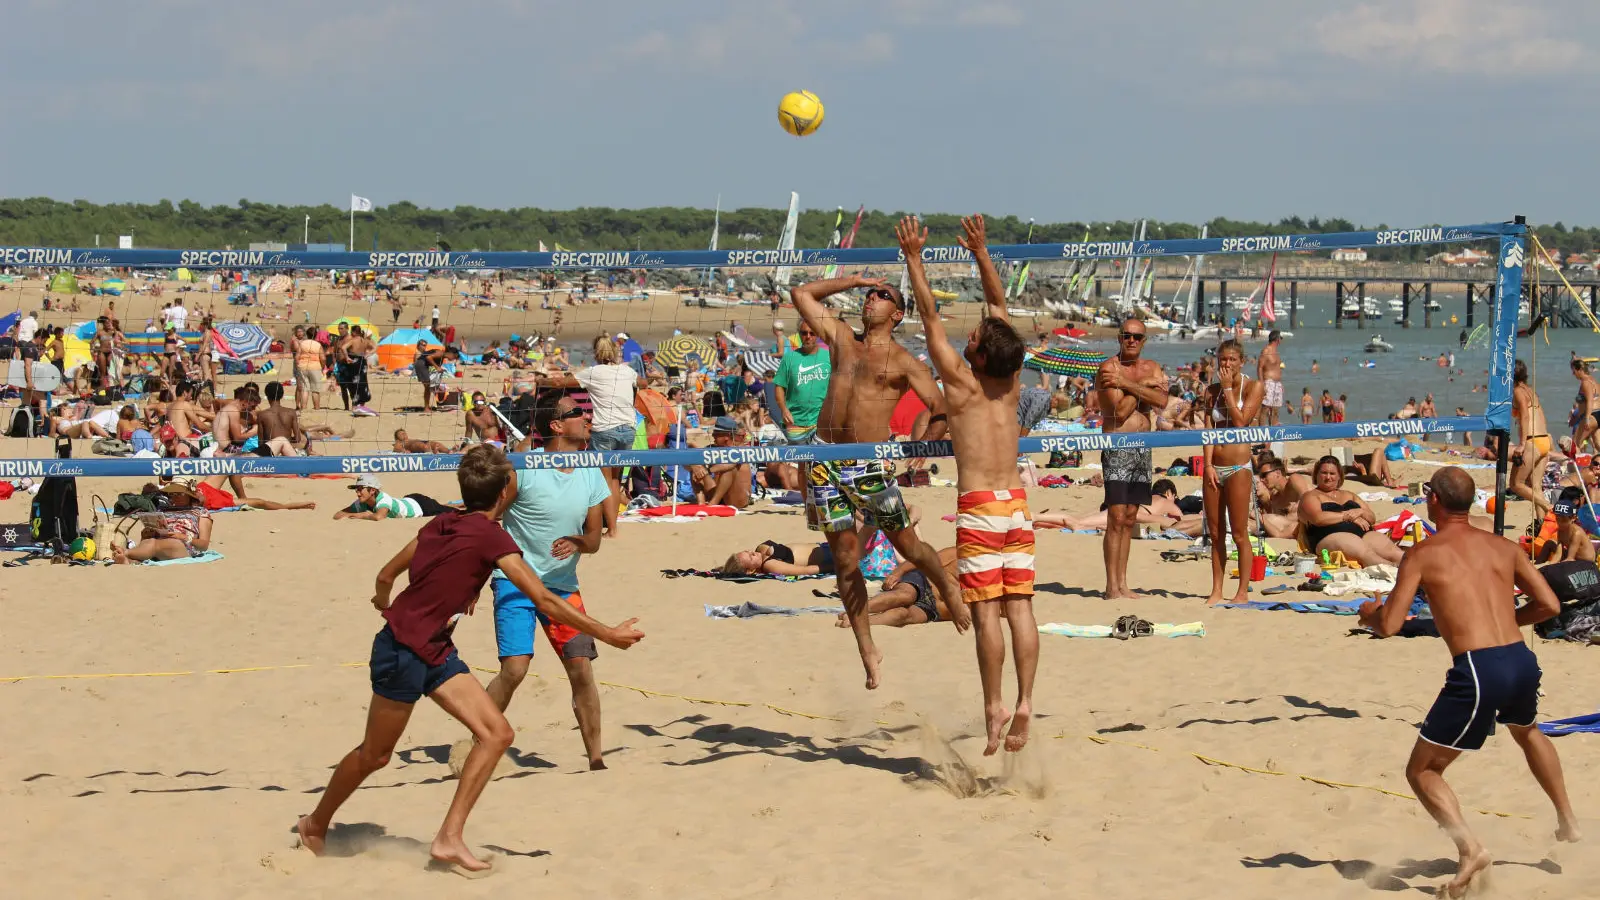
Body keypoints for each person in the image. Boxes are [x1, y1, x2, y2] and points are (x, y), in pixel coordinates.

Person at [295, 445, 644, 875]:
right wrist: (608, 633)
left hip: (435, 649)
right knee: (376, 755)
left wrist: (387, 599)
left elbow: (387, 575)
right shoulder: (493, 537)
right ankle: (315, 823)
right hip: (402, 651)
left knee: (497, 734)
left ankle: (448, 838)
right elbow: (544, 599)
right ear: (503, 496)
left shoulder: (441, 522)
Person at [1357, 466, 1578, 897]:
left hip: (1479, 668)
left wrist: (1369, 613)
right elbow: (1550, 603)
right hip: (1519, 658)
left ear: (1433, 499)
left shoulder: (1423, 553)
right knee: (1528, 731)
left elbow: (1391, 624)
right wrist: (1508, 623)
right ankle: (1567, 819)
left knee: (1422, 771)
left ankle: (1470, 849)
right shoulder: (1504, 545)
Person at [790, 256, 964, 689]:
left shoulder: (904, 361)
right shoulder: (842, 339)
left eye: (881, 295)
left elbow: (940, 408)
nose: (870, 299)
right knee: (846, 559)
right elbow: (802, 294)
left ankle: (948, 586)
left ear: (898, 313)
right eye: (869, 295)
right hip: (824, 456)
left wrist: (924, 446)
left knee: (909, 543)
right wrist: (854, 278)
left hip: (866, 461)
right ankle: (867, 646)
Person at [899, 214, 1034, 753]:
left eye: (973, 336)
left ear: (976, 353)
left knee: (988, 615)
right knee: (1021, 608)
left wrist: (914, 257)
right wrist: (981, 252)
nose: (971, 332)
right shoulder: (1011, 378)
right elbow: (999, 311)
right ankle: (1027, 701)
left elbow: (930, 315)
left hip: (979, 506)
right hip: (1018, 502)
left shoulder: (961, 383)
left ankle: (995, 705)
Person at [484, 392, 632, 771]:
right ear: (556, 425)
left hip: (562, 585)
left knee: (581, 669)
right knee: (515, 670)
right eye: (578, 413)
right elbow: (487, 521)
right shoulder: (525, 467)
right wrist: (471, 578)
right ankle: (478, 736)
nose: (588, 418)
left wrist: (579, 541)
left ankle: (596, 760)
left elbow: (595, 540)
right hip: (514, 580)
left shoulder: (590, 471)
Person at [1095, 317, 1168, 600]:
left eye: (1137, 337)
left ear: (1144, 340)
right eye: (1127, 336)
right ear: (1119, 338)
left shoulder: (1150, 368)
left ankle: (1124, 583)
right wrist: (1143, 387)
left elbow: (1162, 402)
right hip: (1117, 445)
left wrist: (1128, 383)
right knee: (1115, 516)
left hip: (1142, 447)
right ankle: (1111, 586)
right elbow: (1119, 412)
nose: (1132, 341)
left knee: (1129, 518)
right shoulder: (1107, 369)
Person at [541, 335, 642, 536]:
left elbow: (562, 383)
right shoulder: (627, 371)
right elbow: (641, 384)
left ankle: (609, 528)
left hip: (606, 428)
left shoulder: (593, 372)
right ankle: (613, 527)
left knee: (601, 481)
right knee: (615, 480)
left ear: (596, 353)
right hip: (629, 429)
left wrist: (542, 379)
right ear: (614, 352)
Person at [1202, 340, 1265, 605]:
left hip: (1238, 466)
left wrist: (1228, 388)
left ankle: (1241, 591)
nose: (1226, 364)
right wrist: (1206, 466)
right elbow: (1208, 431)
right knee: (1216, 533)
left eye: (1231, 359)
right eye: (1222, 359)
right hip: (1215, 465)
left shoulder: (1254, 387)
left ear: (1242, 362)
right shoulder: (1211, 391)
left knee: (1239, 532)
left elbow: (1241, 422)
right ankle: (1216, 589)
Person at [1298, 456, 1404, 566]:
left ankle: (1415, 569)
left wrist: (1360, 512)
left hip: (1364, 534)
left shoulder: (1349, 494)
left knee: (1395, 553)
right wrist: (1348, 516)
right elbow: (1318, 518)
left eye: (1332, 473)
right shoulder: (1311, 496)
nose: (1328, 477)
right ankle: (1394, 571)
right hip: (1330, 536)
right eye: (1324, 473)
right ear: (1316, 474)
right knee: (1367, 554)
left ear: (1339, 476)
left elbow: (1371, 518)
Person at [836, 546, 958, 628]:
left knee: (902, 615)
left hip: (933, 609)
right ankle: (855, 611)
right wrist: (898, 572)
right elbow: (924, 560)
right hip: (923, 581)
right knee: (905, 596)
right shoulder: (963, 553)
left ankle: (858, 622)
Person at [1033, 478, 1199, 534]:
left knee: (1079, 521)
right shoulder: (1169, 504)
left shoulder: (1150, 497)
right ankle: (1036, 517)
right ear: (1169, 493)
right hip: (1126, 511)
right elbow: (1180, 521)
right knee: (1077, 522)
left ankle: (1039, 523)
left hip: (1121, 505)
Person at [112, 477, 214, 563]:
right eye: (172, 494)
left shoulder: (201, 512)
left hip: (183, 546)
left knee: (161, 544)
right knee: (150, 541)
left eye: (180, 494)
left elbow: (204, 545)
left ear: (189, 495)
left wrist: (185, 538)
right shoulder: (162, 510)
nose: (175, 497)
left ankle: (126, 552)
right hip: (157, 542)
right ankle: (129, 561)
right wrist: (145, 535)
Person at [771, 319, 831, 444]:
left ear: (818, 334)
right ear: (799, 334)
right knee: (801, 461)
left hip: (821, 422)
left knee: (821, 461)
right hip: (795, 421)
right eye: (804, 333)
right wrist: (784, 410)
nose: (808, 337)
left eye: (812, 333)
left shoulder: (829, 357)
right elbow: (779, 387)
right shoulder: (789, 358)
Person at [1511, 359, 1553, 521]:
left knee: (1516, 484)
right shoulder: (1531, 391)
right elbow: (1541, 415)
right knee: (1536, 486)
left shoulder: (1518, 392)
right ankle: (1542, 524)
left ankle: (1549, 507)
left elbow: (1525, 416)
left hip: (1532, 441)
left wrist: (1522, 444)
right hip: (1543, 440)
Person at [683, 417, 753, 509]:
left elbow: (730, 464)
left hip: (738, 498)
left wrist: (708, 470)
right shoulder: (713, 448)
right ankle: (701, 503)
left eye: (716, 433)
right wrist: (694, 467)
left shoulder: (740, 449)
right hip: (719, 494)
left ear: (727, 436)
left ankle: (712, 504)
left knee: (728, 470)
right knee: (696, 466)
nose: (712, 435)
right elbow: (684, 462)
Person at [335, 474, 457, 520]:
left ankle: (458, 503)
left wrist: (360, 515)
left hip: (422, 507)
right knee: (443, 506)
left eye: (361, 489)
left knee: (457, 513)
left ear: (372, 490)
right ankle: (453, 503)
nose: (358, 493)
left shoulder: (383, 500)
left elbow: (379, 517)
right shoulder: (361, 502)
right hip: (408, 501)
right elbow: (338, 515)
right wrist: (350, 514)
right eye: (357, 489)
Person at [1255, 457, 1315, 539]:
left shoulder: (1294, 480)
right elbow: (1277, 524)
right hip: (1294, 531)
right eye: (1261, 476)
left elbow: (1309, 500)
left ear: (1278, 473)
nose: (1262, 479)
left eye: (1264, 475)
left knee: (1264, 519)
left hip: (1312, 524)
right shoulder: (1275, 500)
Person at [254, 381, 303, 456]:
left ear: (267, 395)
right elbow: (297, 439)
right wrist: (287, 439)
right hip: (288, 451)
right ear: (282, 395)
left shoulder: (262, 415)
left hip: (273, 452)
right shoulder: (291, 412)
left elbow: (261, 442)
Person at [293, 326, 326, 412]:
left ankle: (303, 408)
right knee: (315, 390)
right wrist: (322, 367)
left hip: (303, 367)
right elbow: (323, 358)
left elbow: (297, 357)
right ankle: (317, 408)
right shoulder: (318, 345)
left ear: (306, 334)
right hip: (315, 367)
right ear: (316, 335)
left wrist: (298, 366)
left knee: (305, 389)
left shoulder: (302, 344)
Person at [1572, 359, 1600, 455]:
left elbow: (1590, 400)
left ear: (1580, 370)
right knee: (1597, 444)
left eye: (1574, 371)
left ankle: (1577, 468)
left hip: (1591, 415)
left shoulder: (1585, 382)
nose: (1573, 374)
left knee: (1575, 444)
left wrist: (1587, 418)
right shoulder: (1593, 380)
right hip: (1598, 414)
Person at [1257, 330, 1283, 425]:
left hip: (1277, 384)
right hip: (1268, 382)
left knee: (1275, 409)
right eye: (1281, 338)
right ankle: (1263, 432)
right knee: (1265, 408)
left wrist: (1281, 384)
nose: (1281, 340)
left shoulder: (1276, 352)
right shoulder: (1266, 351)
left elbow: (1277, 369)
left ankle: (1273, 432)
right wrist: (1261, 384)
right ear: (1277, 339)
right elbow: (1259, 368)